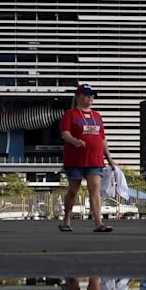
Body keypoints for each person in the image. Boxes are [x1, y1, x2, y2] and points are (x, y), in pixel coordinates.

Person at [60, 83, 118, 233]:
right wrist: (75, 141)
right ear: (78, 97)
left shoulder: (97, 116)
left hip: (95, 159)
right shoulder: (70, 114)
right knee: (73, 190)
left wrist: (109, 158)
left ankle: (99, 222)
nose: (90, 98)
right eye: (86, 95)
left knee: (95, 189)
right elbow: (65, 134)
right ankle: (66, 218)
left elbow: (103, 139)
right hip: (75, 160)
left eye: (91, 95)